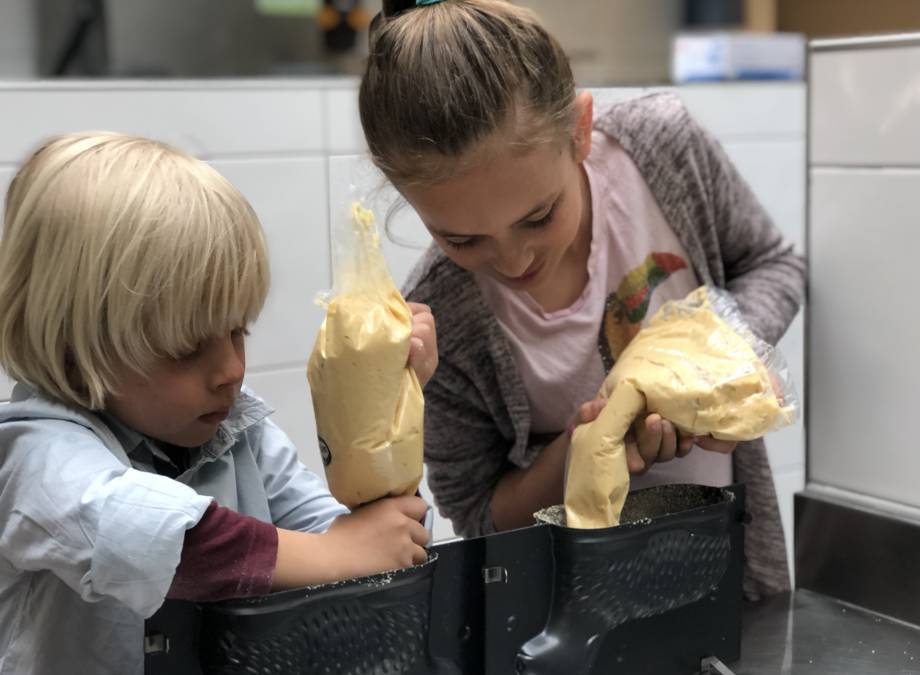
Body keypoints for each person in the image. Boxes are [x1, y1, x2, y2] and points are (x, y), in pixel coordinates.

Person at [359, 0, 805, 599]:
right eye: (461, 239)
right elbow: (483, 520)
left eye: (540, 216)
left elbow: (773, 263)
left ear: (580, 130)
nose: (515, 262)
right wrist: (588, 444)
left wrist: (719, 359)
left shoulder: (659, 150)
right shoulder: (438, 322)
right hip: (574, 612)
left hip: (733, 578)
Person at [0, 132, 438, 675]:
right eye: (186, 349)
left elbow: (366, 549)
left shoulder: (236, 431)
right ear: (72, 347)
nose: (232, 370)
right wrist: (327, 556)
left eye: (238, 331)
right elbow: (140, 536)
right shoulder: (34, 456)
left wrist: (389, 408)